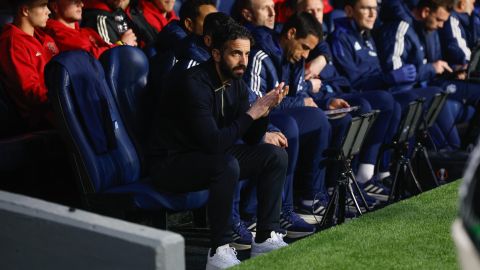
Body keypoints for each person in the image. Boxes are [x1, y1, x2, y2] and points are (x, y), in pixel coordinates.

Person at [149, 23, 289, 269]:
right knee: (226, 165)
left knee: (274, 156)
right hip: (171, 164)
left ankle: (266, 237)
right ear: (216, 54)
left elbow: (250, 138)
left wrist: (266, 110)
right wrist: (252, 113)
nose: (243, 61)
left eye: (247, 54)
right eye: (236, 53)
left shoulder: (236, 81)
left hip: (206, 156)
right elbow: (214, 143)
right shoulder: (193, 83)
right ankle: (219, 250)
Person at [297, 0, 399, 198]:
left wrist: (324, 58)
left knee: (395, 102)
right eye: (310, 10)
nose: (316, 15)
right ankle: (345, 182)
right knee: (367, 106)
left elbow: (338, 73)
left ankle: (374, 171)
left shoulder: (329, 39)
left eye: (319, 10)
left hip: (334, 91)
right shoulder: (333, 36)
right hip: (319, 97)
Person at [377, 0, 480, 149]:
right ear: (425, 12)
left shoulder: (428, 29)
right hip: (407, 93)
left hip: (428, 87)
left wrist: (451, 69)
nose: (441, 25)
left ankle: (466, 151)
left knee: (453, 144)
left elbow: (432, 62)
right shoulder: (402, 26)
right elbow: (395, 73)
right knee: (450, 143)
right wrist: (431, 68)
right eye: (438, 20)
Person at [0, 0, 59, 130]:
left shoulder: (45, 38)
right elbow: (30, 92)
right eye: (43, 6)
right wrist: (63, 96)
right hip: (42, 118)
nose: (48, 11)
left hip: (58, 105)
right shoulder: (13, 43)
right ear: (25, 10)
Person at [45, 0, 115, 59]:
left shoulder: (88, 31)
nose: (81, 4)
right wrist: (122, 44)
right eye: (74, 1)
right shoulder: (55, 32)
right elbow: (90, 56)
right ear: (55, 6)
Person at [82, 0, 157, 47]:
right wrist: (122, 44)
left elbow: (155, 41)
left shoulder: (134, 11)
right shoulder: (98, 17)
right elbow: (107, 59)